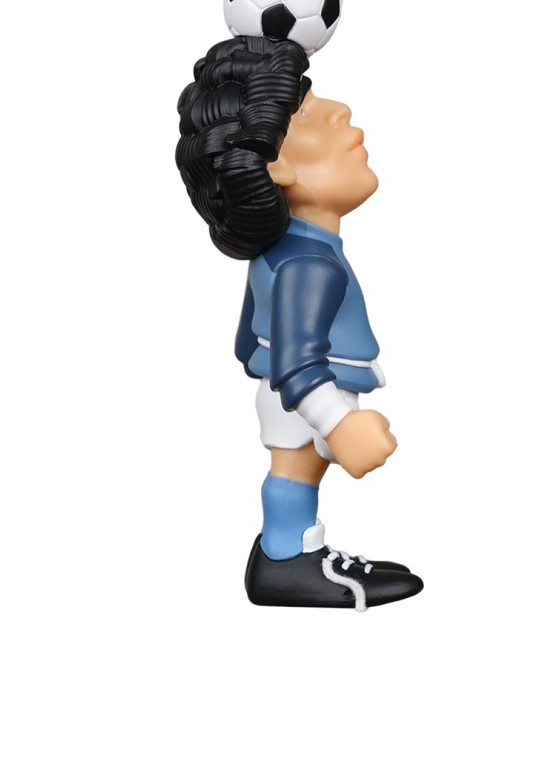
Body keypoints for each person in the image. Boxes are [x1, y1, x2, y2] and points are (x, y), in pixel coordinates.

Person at [176, 35, 423, 610]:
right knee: (295, 473)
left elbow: (250, 335)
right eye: (305, 114)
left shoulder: (283, 250)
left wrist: (257, 362)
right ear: (275, 165)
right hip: (308, 396)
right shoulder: (311, 263)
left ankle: (288, 555)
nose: (339, 111)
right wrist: (340, 424)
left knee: (293, 472)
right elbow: (297, 360)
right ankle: (286, 560)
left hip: (288, 393)